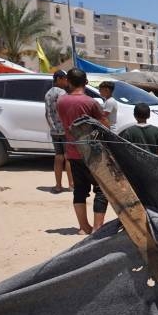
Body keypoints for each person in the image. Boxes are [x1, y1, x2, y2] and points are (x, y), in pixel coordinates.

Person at [57, 68, 108, 234]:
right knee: (101, 189)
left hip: (72, 151)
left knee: (80, 190)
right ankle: (97, 227)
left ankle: (83, 227)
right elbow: (104, 125)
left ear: (69, 82)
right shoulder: (91, 102)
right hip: (92, 153)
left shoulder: (61, 102)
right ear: (86, 82)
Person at [44, 70, 73, 193]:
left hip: (54, 131)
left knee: (58, 157)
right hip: (65, 130)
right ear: (59, 79)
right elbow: (66, 111)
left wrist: (52, 126)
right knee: (68, 158)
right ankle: (71, 185)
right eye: (65, 78)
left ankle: (58, 185)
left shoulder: (48, 94)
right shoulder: (63, 93)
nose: (67, 81)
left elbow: (47, 114)